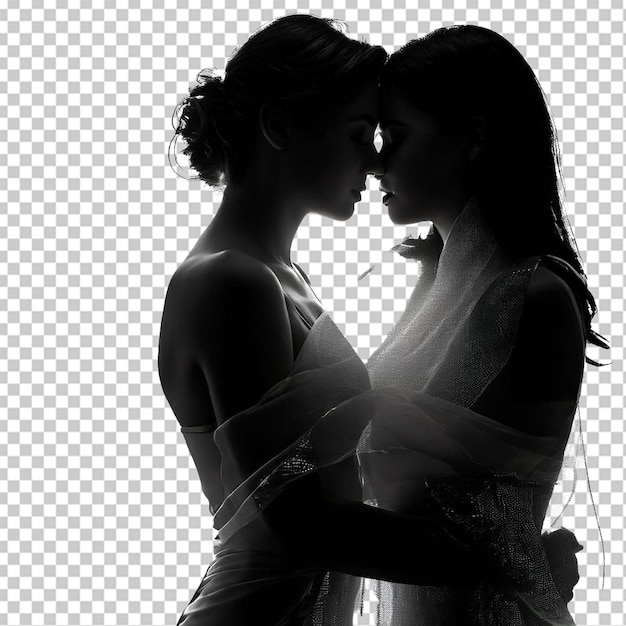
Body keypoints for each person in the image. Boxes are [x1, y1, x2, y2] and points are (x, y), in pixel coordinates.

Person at [159, 15, 498, 626]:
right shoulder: (230, 282)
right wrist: (498, 558)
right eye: (357, 132)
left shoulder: (279, 277)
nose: (374, 163)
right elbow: (300, 520)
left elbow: (331, 457)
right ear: (279, 126)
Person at [364, 24, 608, 624]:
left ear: (473, 137)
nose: (375, 161)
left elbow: (480, 510)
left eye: (394, 135)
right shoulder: (434, 285)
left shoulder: (533, 293)